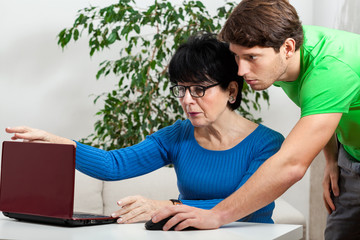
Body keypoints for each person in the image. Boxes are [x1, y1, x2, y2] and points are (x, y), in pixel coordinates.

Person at [5, 33, 284, 225]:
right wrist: (62, 145)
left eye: (199, 89)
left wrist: (167, 206)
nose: (187, 100)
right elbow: (114, 165)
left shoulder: (267, 144)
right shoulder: (178, 135)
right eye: (182, 89)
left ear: (231, 90)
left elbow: (247, 207)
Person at [150, 0, 360, 238]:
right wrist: (332, 159)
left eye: (251, 57)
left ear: (288, 48)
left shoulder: (330, 70)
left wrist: (217, 215)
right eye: (237, 57)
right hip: (351, 155)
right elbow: (324, 109)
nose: (240, 71)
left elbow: (291, 164)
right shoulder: (281, 53)